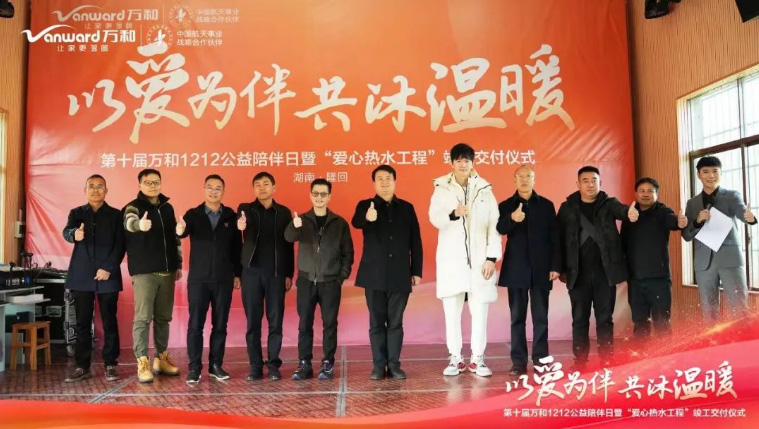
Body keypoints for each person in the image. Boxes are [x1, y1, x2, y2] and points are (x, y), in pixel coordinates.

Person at [429, 143, 501, 378]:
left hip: (480, 263)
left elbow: (494, 225)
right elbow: (434, 218)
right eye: (458, 160)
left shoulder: (484, 189)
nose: (463, 164)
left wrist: (491, 258)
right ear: (451, 163)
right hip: (452, 262)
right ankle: (455, 357)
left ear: (472, 163)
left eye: (467, 160)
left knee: (480, 313)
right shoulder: (442, 188)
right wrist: (453, 214)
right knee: (452, 313)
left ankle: (477, 358)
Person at [557, 166, 638, 370]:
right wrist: (558, 267)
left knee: (605, 320)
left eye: (594, 180)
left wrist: (629, 213)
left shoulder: (609, 204)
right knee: (579, 320)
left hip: (605, 274)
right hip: (577, 274)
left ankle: (607, 361)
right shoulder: (567, 208)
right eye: (585, 180)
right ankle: (580, 362)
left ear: (600, 183)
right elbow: (558, 239)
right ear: (578, 184)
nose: (590, 184)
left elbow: (622, 211)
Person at [351, 165, 423, 380]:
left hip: (400, 274)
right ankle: (378, 365)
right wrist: (368, 218)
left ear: (394, 181)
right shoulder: (365, 205)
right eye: (380, 179)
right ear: (374, 183)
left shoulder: (407, 208)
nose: (384, 183)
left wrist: (416, 271)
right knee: (376, 323)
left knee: (395, 323)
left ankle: (394, 365)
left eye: (388, 178)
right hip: (373, 275)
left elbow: (415, 241)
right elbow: (356, 222)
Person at [285, 178, 354, 380]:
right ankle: (304, 363)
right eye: (315, 193)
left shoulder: (339, 223)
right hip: (306, 281)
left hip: (330, 282)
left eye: (323, 194)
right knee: (304, 324)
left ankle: (327, 363)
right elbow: (289, 237)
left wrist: (341, 277)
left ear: (329, 196)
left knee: (329, 324)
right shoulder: (302, 220)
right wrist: (294, 226)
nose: (319, 198)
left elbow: (348, 254)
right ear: (310, 195)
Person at [496, 165, 560, 377]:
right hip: (516, 268)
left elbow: (555, 237)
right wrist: (511, 219)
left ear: (534, 179)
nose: (524, 180)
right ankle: (518, 362)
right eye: (520, 176)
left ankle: (541, 360)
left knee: (541, 318)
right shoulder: (506, 205)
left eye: (528, 176)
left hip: (542, 268)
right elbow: (499, 229)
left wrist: (555, 266)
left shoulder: (547, 205)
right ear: (514, 180)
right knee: (517, 318)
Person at [177, 174, 242, 383]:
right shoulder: (193, 214)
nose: (214, 191)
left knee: (220, 325)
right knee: (195, 325)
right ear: (204, 189)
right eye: (210, 187)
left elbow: (237, 248)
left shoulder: (231, 217)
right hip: (199, 279)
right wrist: (180, 229)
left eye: (218, 188)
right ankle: (194, 367)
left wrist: (238, 274)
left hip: (224, 279)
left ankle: (216, 365)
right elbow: (182, 231)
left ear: (223, 191)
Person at [62, 174, 125, 383]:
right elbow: (67, 232)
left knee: (110, 321)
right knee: (82, 323)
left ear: (106, 191)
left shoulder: (116, 215)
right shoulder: (77, 213)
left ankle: (110, 364)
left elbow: (121, 245)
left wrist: (108, 268)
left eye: (100, 186)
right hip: (81, 275)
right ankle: (82, 366)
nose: (95, 190)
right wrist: (74, 235)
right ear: (85, 190)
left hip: (108, 275)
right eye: (91, 186)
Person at [123, 169, 182, 383]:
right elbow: (129, 223)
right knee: (143, 318)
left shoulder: (167, 208)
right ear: (140, 185)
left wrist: (178, 264)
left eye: (156, 182)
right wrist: (140, 225)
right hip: (145, 272)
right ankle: (142, 362)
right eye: (148, 182)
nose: (152, 185)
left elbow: (174, 238)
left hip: (167, 271)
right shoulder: (133, 207)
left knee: (163, 318)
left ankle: (161, 358)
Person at [682, 156, 757, 322]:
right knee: (709, 311)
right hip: (704, 263)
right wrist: (697, 221)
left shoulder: (732, 196)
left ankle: (742, 338)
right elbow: (686, 235)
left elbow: (742, 213)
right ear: (698, 175)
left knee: (739, 307)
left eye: (715, 171)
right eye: (706, 172)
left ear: (721, 173)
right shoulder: (692, 203)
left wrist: (749, 218)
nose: (711, 175)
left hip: (729, 259)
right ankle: (714, 339)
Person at [237, 172, 294, 381]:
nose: (262, 188)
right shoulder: (246, 209)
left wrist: (289, 273)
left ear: (274, 188)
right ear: (253, 189)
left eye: (266, 184)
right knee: (253, 322)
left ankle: (273, 365)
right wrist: (240, 224)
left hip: (276, 275)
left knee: (275, 322)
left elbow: (289, 246)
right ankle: (255, 366)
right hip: (251, 274)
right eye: (257, 185)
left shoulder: (284, 212)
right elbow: (240, 223)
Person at [621, 177, 687, 340]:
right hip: (635, 280)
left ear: (657, 194)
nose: (646, 194)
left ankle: (665, 356)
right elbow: (622, 243)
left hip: (659, 280)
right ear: (636, 193)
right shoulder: (630, 215)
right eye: (642, 191)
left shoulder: (663, 212)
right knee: (640, 323)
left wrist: (680, 222)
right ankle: (641, 355)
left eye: (650, 191)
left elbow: (673, 221)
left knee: (662, 323)